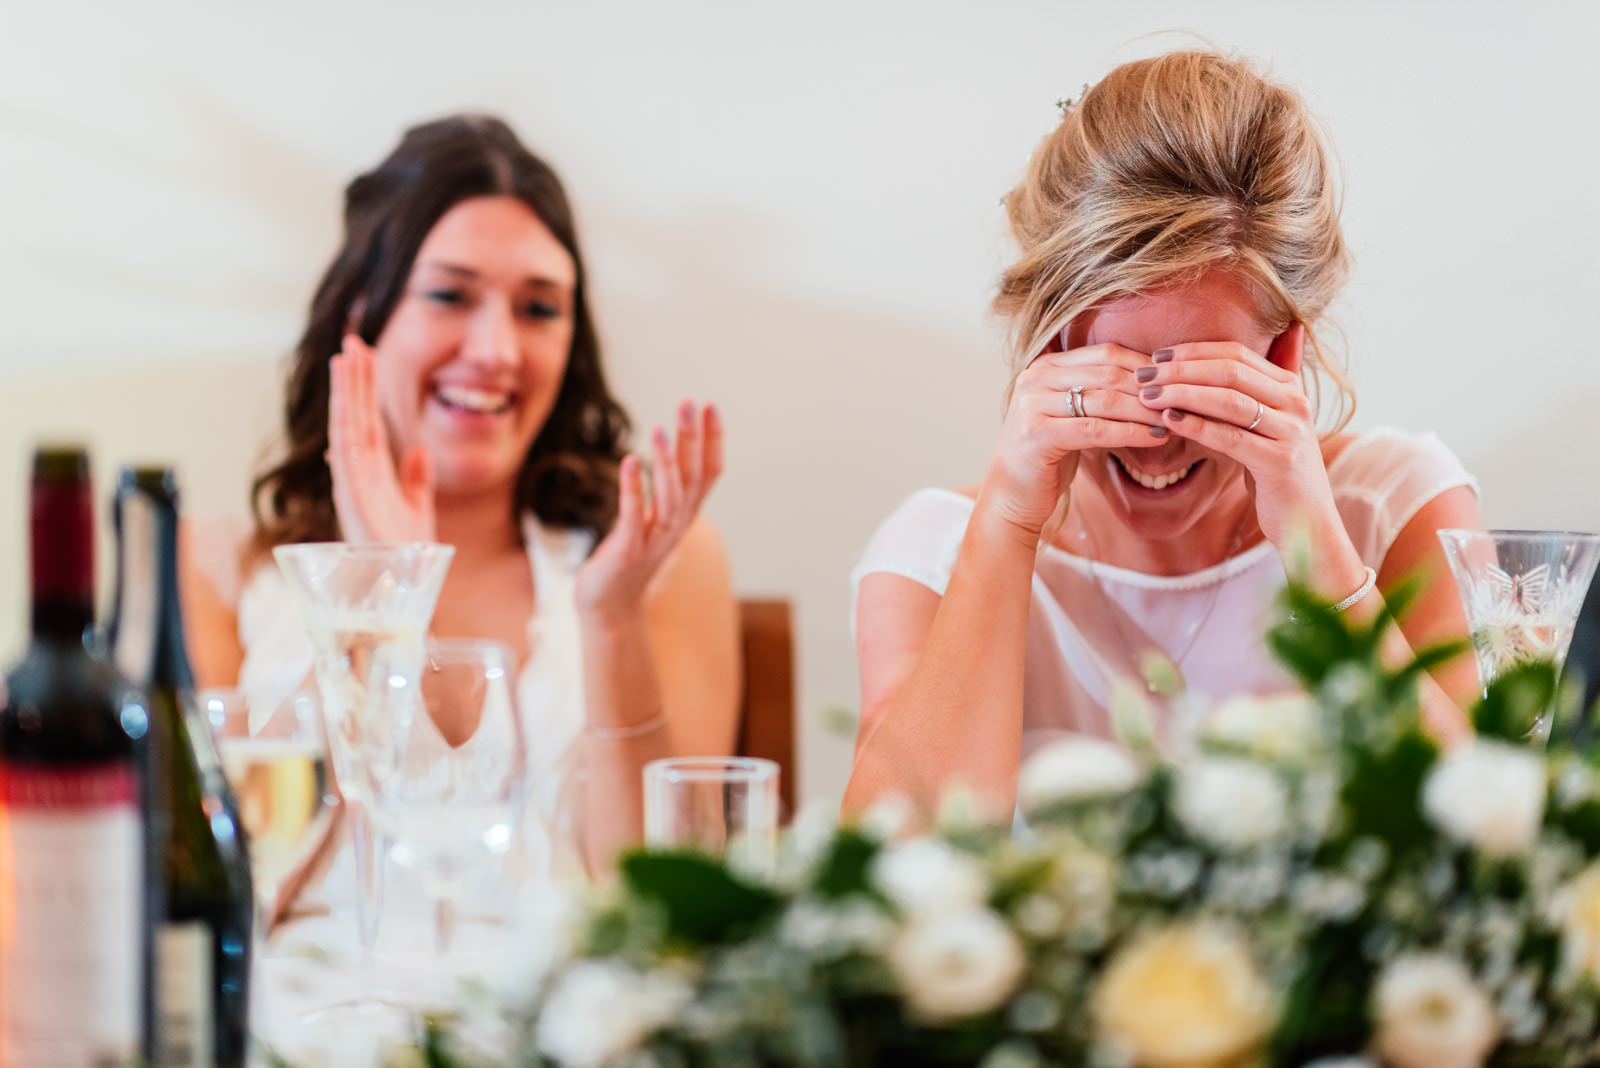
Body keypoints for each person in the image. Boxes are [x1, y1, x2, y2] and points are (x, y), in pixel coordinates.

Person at [844, 50, 1481, 820]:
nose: (1156, 441)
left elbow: (1480, 851)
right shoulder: (929, 554)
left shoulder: (1395, 509)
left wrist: (1321, 554)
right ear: (1050, 348)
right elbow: (886, 877)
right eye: (1115, 376)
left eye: (1198, 387)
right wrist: (1009, 526)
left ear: (1282, 355)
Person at [182, 114, 741, 893]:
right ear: (363, 317)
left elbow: (661, 897)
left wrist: (612, 619)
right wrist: (377, 595)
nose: (497, 351)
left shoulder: (659, 556)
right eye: (450, 295)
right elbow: (224, 884)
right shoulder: (214, 563)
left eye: (539, 308)